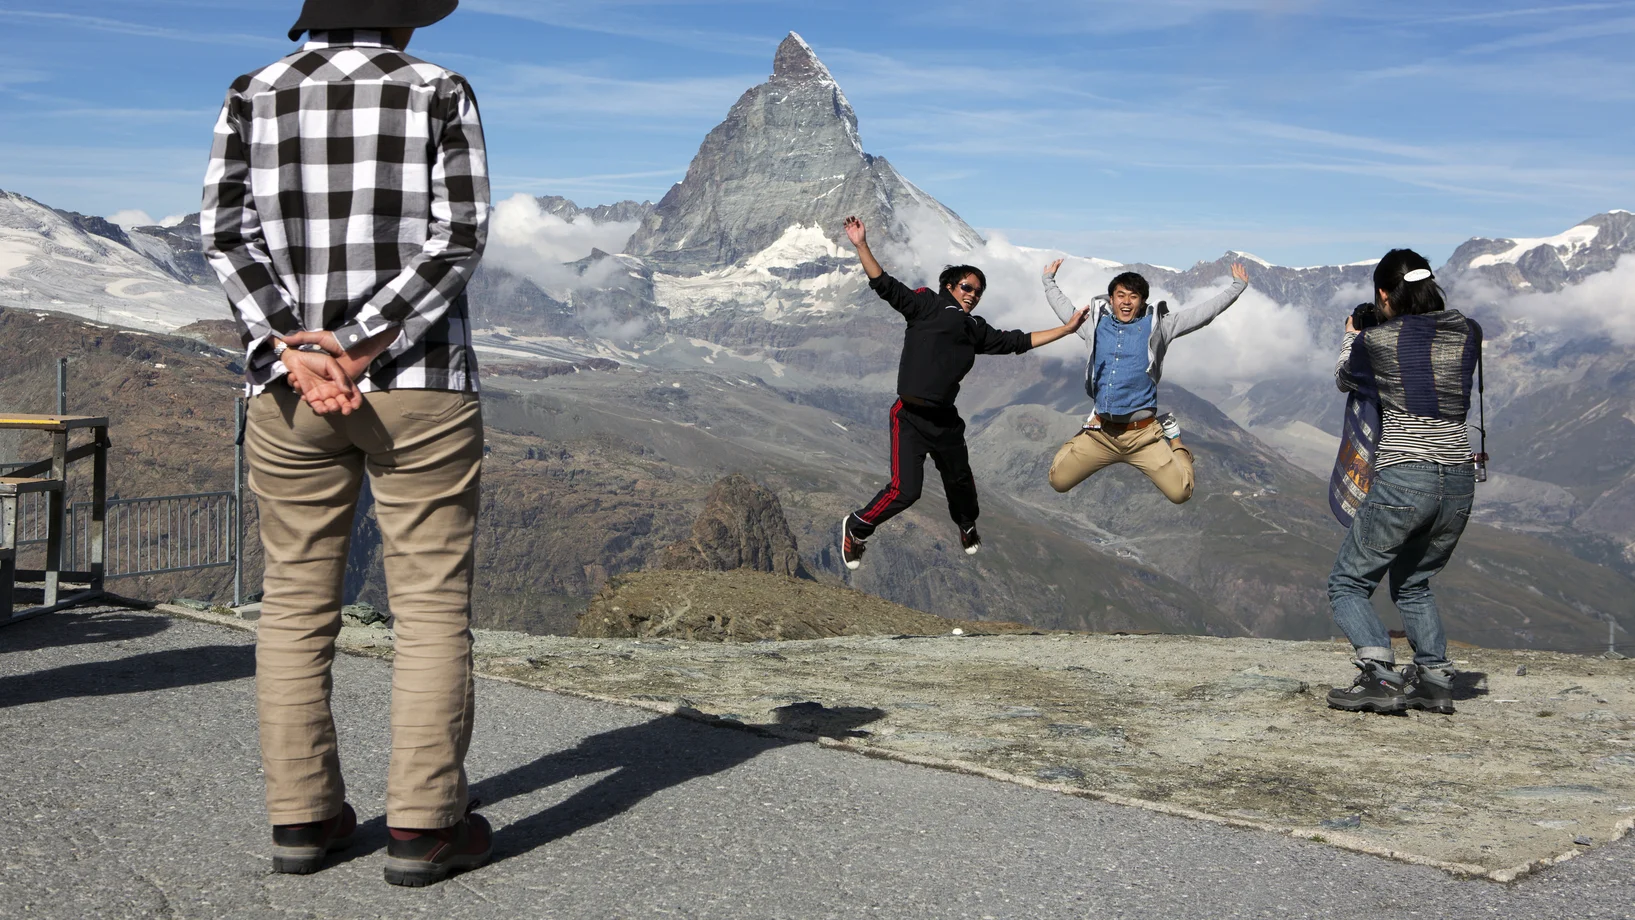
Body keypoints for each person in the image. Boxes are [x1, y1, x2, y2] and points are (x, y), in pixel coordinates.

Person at [201, 0, 492, 886]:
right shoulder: (439, 89)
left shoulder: (253, 91)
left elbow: (224, 234)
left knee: (293, 603)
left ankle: (304, 820)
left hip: (288, 391)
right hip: (421, 384)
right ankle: (423, 827)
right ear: (404, 20)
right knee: (431, 606)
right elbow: (459, 236)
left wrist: (297, 348)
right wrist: (360, 343)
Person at [839, 216, 1089, 570]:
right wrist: (862, 245)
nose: (973, 294)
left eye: (977, 291)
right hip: (909, 417)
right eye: (966, 287)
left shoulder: (976, 329)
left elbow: (1019, 341)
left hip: (944, 420)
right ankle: (858, 527)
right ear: (949, 286)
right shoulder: (925, 304)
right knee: (905, 491)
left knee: (962, 484)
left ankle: (966, 524)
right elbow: (884, 284)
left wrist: (1066, 330)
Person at [1324, 249, 1481, 715]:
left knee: (1348, 583)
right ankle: (1433, 679)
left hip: (1404, 477)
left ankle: (1379, 674)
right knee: (1414, 583)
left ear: (1383, 293)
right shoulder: (1469, 333)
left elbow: (1344, 378)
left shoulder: (1376, 343)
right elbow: (1426, 346)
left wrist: (1354, 336)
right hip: (1458, 480)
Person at [1040, 260, 1248, 503]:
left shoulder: (1160, 326)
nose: (1126, 301)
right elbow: (1066, 310)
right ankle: (1084, 431)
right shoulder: (1094, 326)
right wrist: (1048, 282)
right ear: (1111, 299)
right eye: (1121, 295)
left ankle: (1175, 437)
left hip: (1143, 436)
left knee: (1181, 493)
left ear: (1141, 302)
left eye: (1134, 296)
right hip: (1102, 433)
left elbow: (1202, 314)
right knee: (1058, 480)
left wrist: (1237, 287)